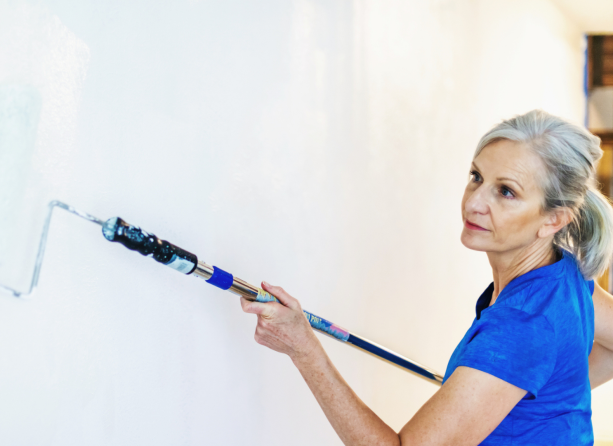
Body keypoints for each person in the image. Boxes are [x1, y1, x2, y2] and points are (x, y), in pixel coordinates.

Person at [241, 110, 613, 445]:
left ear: (554, 219)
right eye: (476, 176)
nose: (474, 202)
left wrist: (304, 351)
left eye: (506, 192)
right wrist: (527, 401)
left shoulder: (521, 325)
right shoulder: (562, 276)